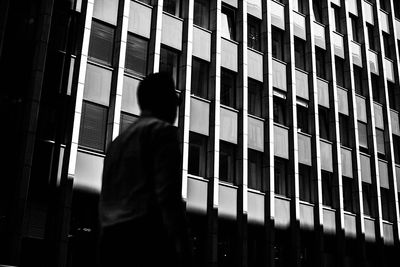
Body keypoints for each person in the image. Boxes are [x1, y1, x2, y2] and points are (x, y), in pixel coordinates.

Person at [98, 72, 191, 266]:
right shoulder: (162, 132)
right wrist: (183, 248)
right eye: (175, 99)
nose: (177, 105)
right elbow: (168, 198)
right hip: (146, 241)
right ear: (163, 100)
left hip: (111, 242)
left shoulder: (117, 144)